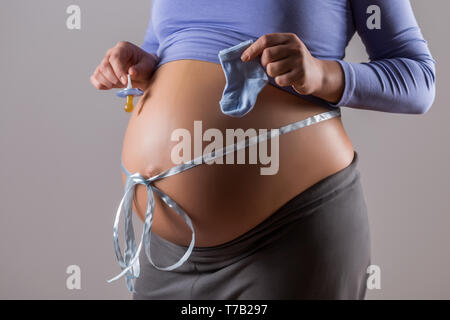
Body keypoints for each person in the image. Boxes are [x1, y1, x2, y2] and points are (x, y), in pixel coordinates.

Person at [90, 0, 435, 299]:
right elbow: (167, 46)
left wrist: (322, 75)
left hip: (288, 237)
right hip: (166, 253)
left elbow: (419, 79)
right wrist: (141, 64)